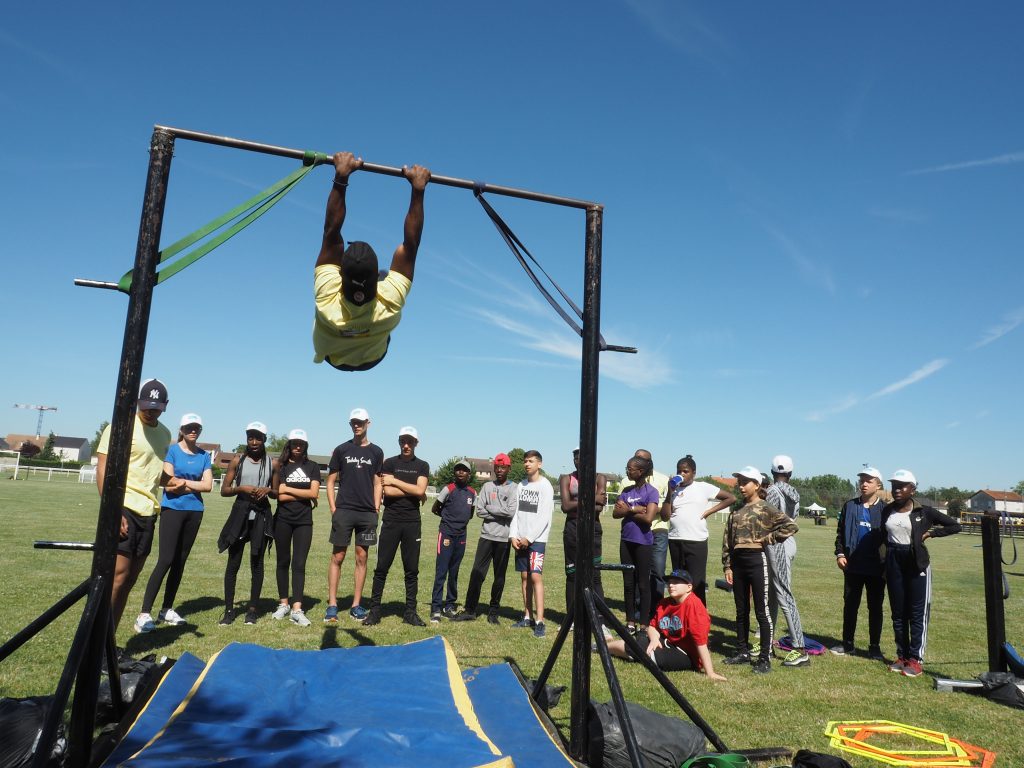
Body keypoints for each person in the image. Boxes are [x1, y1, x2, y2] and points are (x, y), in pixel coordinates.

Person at [312, 151, 431, 371]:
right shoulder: (389, 302)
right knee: (391, 274)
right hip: (373, 356)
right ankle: (378, 280)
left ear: (339, 277)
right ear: (376, 282)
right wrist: (418, 189)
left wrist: (341, 176)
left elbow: (331, 232)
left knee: (332, 243)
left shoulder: (327, 296)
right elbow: (410, 246)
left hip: (333, 356)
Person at [95, 379, 173, 633]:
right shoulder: (121, 425)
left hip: (149, 512)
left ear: (165, 406)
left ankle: (109, 645)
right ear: (138, 402)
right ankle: (95, 646)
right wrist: (112, 510)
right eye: (146, 406)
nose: (151, 411)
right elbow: (103, 467)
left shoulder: (165, 434)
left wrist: (177, 482)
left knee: (128, 582)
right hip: (124, 508)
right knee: (116, 579)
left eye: (156, 407)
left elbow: (153, 472)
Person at [137, 412, 212, 632]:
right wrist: (190, 483)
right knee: (166, 560)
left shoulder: (204, 456)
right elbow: (169, 484)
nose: (193, 431)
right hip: (172, 510)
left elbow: (207, 486)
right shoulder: (171, 451)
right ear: (181, 429)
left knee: (180, 561)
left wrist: (183, 483)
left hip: (194, 511)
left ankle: (167, 609)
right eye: (189, 427)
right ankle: (144, 613)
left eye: (196, 427)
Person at [882, 469, 961, 677]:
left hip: (916, 564)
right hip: (893, 562)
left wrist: (931, 534)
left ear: (913, 489)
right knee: (898, 613)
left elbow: (955, 526)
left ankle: (915, 660)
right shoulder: (887, 511)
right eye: (894, 486)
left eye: (902, 486)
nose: (897, 489)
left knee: (917, 614)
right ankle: (902, 656)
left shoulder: (924, 512)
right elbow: (883, 536)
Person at [722, 466, 798, 674]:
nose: (741, 486)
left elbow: (790, 526)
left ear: (756, 485)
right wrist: (727, 565)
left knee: (761, 611)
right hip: (738, 563)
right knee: (741, 610)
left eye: (745, 482)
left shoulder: (766, 508)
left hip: (757, 560)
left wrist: (769, 539)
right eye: (739, 482)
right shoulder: (736, 511)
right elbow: (727, 539)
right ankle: (742, 651)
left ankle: (765, 657)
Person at [604, 570, 726, 681]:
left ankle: (611, 649)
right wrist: (654, 639)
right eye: (670, 582)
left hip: (687, 654)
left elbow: (701, 642)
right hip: (667, 643)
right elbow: (652, 627)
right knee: (637, 645)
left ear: (689, 587)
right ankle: (602, 647)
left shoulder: (694, 606)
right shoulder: (665, 603)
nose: (671, 585)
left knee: (654, 657)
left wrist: (710, 672)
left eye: (676, 582)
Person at [364, 426, 429, 627]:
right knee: (381, 568)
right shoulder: (390, 463)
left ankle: (410, 612)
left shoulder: (422, 465)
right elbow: (388, 493)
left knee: (412, 570)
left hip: (412, 523)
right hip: (391, 521)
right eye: (403, 441)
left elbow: (420, 489)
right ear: (399, 442)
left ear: (416, 443)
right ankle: (374, 611)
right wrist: (415, 491)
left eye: (410, 441)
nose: (406, 445)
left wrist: (396, 481)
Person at [324, 408, 383, 623]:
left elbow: (378, 483)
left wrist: (376, 509)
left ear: (368, 422)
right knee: (337, 557)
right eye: (353, 422)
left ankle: (356, 605)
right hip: (344, 511)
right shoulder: (341, 450)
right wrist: (333, 508)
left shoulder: (377, 452)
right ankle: (332, 604)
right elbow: (330, 481)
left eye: (360, 422)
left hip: (367, 514)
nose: (356, 425)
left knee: (361, 557)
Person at [218, 422, 278, 625]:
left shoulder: (273, 463)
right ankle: (229, 610)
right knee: (233, 564)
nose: (254, 442)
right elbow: (224, 490)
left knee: (257, 564)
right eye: (250, 437)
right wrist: (241, 488)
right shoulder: (237, 461)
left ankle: (252, 610)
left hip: (261, 516)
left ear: (264, 440)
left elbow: (277, 493)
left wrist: (268, 490)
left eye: (258, 437)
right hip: (240, 515)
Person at [452, 453, 518, 624]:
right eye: (497, 467)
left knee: (499, 576)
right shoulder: (487, 486)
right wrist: (498, 510)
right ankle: (470, 609)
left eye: (503, 467)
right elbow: (480, 511)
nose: (500, 470)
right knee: (477, 573)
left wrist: (491, 508)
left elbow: (511, 512)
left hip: (503, 539)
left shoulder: (514, 488)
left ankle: (493, 612)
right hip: (486, 536)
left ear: (509, 468)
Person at [664, 454, 736, 606]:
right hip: (675, 540)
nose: (681, 474)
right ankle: (681, 617)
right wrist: (670, 492)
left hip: (696, 541)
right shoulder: (673, 490)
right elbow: (665, 515)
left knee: (696, 582)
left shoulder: (703, 487)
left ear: (694, 473)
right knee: (679, 583)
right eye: (679, 471)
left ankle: (699, 619)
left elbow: (731, 498)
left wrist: (709, 511)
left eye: (685, 471)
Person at [832, 467, 887, 659]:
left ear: (878, 484)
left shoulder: (885, 509)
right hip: (853, 565)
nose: (863, 483)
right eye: (862, 480)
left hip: (877, 568)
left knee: (875, 607)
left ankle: (874, 647)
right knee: (850, 605)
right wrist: (840, 553)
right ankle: (847, 644)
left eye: (869, 480)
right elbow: (840, 532)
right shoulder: (850, 506)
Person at [270, 429, 321, 627]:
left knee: (299, 564)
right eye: (294, 443)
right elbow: (279, 495)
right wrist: (304, 493)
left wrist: (289, 489)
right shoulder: (280, 466)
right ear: (289, 445)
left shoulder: (313, 466)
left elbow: (315, 492)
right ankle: (283, 604)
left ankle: (296, 608)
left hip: (304, 521)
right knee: (283, 561)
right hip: (282, 519)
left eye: (301, 443)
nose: (297, 446)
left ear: (305, 445)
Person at [763, 454, 809, 667]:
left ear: (773, 472)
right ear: (789, 474)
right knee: (773, 594)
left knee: (782, 593)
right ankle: (766, 643)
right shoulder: (794, 492)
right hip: (788, 541)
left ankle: (800, 649)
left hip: (777, 542)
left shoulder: (772, 491)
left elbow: (770, 520)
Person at [510, 450, 554, 638]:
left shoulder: (545, 486)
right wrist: (513, 535)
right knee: (525, 577)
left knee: (536, 577)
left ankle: (540, 620)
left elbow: (544, 516)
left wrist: (530, 537)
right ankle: (527, 616)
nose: (527, 464)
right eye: (525, 461)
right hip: (520, 539)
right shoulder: (521, 485)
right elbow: (516, 512)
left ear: (539, 464)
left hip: (537, 541)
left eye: (531, 461)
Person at [559, 447, 607, 623]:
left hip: (593, 529)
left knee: (594, 575)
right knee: (572, 575)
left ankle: (599, 620)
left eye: (581, 457)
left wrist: (576, 503)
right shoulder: (566, 478)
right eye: (575, 458)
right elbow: (565, 506)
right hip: (572, 529)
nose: (578, 461)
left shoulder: (599, 478)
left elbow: (599, 508)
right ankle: (572, 619)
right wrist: (591, 499)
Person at [614, 455, 660, 634]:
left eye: (630, 469)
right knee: (628, 584)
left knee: (643, 584)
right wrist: (634, 509)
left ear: (640, 471)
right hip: (626, 541)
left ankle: (644, 624)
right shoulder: (626, 490)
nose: (627, 471)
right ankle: (630, 621)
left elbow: (648, 518)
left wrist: (628, 510)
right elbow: (616, 514)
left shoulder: (652, 492)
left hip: (643, 543)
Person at [429, 458, 477, 622]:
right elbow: (435, 508)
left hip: (461, 536)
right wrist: (448, 519)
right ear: (455, 472)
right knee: (441, 571)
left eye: (464, 470)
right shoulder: (448, 489)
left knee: (454, 572)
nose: (461, 472)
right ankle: (436, 608)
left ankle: (449, 605)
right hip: (446, 534)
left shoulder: (472, 492)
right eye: (458, 469)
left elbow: (470, 513)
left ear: (469, 474)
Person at [634, 449, 670, 612]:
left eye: (642, 459)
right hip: (638, 530)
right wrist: (648, 508)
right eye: (636, 458)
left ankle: (657, 608)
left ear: (650, 463)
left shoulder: (663, 479)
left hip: (658, 530)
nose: (637, 462)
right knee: (637, 570)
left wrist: (645, 509)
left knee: (658, 570)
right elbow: (623, 506)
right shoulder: (628, 480)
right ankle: (638, 607)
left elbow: (668, 508)